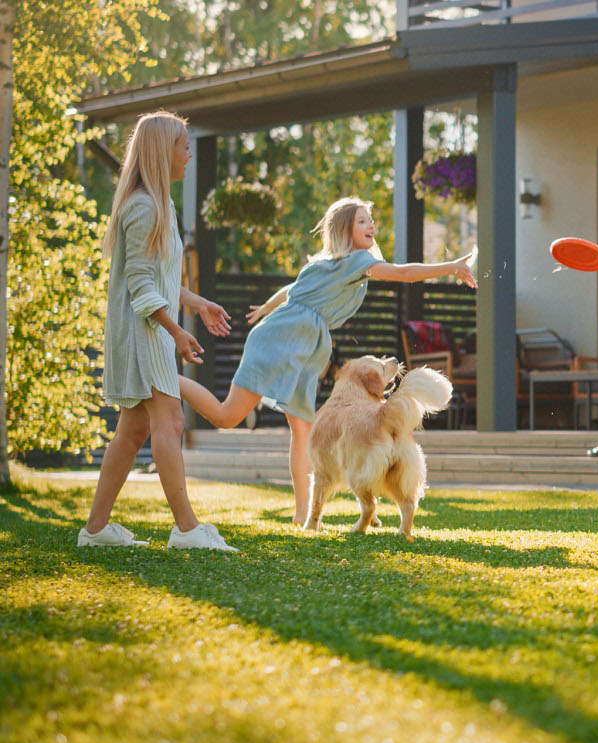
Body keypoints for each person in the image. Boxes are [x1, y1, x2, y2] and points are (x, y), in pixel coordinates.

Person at [178, 197, 476, 525]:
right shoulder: (355, 260)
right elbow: (402, 273)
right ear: (345, 228)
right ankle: (171, 380)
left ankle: (304, 515)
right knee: (226, 416)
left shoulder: (330, 263)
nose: (371, 226)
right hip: (281, 341)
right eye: (362, 220)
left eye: (370, 220)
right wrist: (450, 267)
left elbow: (292, 290)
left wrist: (266, 308)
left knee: (302, 431)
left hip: (299, 347)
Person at [80, 111, 238, 551]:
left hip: (150, 329)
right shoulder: (143, 207)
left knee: (132, 431)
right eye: (183, 144)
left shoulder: (162, 205)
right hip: (142, 333)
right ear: (160, 150)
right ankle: (187, 529)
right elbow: (141, 285)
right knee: (168, 419)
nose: (189, 153)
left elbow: (162, 280)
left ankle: (94, 530)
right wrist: (176, 331)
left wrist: (198, 303)